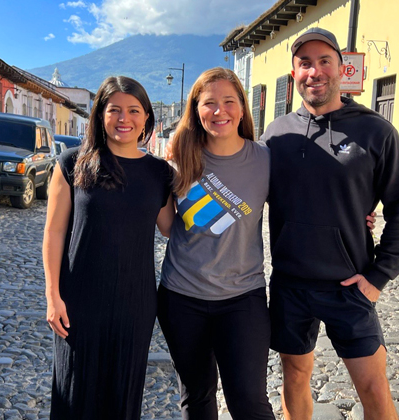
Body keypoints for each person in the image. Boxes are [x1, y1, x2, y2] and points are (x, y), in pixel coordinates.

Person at [261, 27, 399, 420]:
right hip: (291, 285)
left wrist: (379, 277)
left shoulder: (375, 130)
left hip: (350, 285)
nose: (315, 72)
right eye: (304, 64)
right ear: (294, 73)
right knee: (294, 376)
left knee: (373, 388)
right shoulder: (275, 135)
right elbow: (242, 192)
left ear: (341, 68)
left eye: (324, 61)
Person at [43, 76, 175, 419]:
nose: (123, 119)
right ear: (100, 115)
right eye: (114, 110)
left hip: (135, 303)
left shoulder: (159, 173)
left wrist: (197, 179)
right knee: (73, 391)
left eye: (133, 110)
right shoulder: (72, 164)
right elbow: (55, 233)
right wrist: (52, 295)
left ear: (147, 118)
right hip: (78, 302)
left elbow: (171, 229)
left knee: (122, 396)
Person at [156, 68, 276, 420]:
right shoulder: (178, 160)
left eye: (229, 101)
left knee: (250, 402)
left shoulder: (266, 160)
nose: (219, 111)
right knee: (196, 398)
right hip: (182, 298)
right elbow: (167, 228)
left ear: (242, 108)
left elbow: (300, 208)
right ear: (196, 109)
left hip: (242, 299)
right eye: (209, 103)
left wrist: (359, 218)